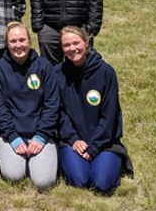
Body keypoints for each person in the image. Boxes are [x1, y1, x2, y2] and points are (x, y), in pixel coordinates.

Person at [57, 26, 133, 193]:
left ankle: (110, 162)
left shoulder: (106, 72)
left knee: (102, 184)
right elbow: (59, 113)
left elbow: (110, 115)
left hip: (104, 142)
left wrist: (94, 148)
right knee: (80, 180)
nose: (72, 49)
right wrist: (73, 138)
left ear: (86, 42)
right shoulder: (58, 74)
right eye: (67, 45)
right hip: (73, 142)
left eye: (76, 43)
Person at [0, 22, 59, 189]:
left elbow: (52, 104)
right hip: (12, 134)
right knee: (14, 177)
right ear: (6, 44)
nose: (18, 45)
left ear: (30, 41)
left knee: (44, 182)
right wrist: (12, 137)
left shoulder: (44, 66)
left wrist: (42, 135)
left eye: (22, 40)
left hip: (40, 132)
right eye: (13, 41)